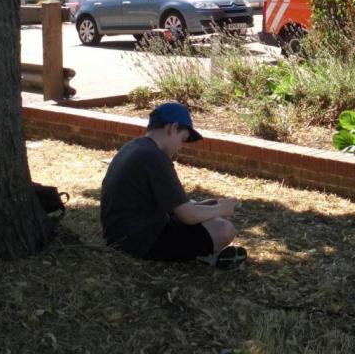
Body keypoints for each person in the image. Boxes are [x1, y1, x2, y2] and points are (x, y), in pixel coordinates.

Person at [100, 101, 248, 268]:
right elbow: (188, 216)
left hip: (121, 233)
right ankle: (206, 256)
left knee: (200, 208)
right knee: (223, 229)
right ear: (172, 128)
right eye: (182, 139)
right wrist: (221, 209)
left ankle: (204, 253)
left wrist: (206, 207)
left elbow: (173, 206)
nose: (180, 147)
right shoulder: (155, 158)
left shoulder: (135, 147)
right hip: (139, 240)